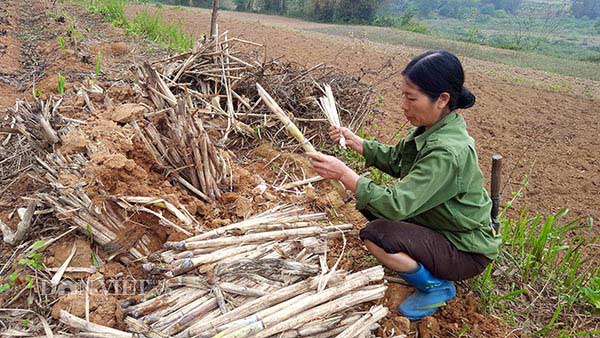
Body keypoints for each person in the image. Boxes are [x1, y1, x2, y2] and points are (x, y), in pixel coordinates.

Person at [307, 50, 502, 321]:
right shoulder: (431, 127)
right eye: (404, 96)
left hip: (466, 249)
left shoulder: (447, 151)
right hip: (442, 226)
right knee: (371, 205)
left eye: (411, 98)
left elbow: (397, 204)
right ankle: (428, 266)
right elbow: (398, 160)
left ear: (442, 99)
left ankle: (436, 287)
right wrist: (357, 142)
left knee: (375, 234)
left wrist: (344, 174)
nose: (404, 105)